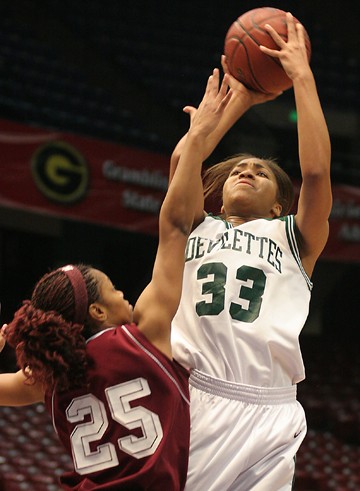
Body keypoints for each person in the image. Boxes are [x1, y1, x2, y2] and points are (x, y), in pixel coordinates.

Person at [0, 70, 232, 490]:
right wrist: (198, 136)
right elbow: (177, 225)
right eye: (115, 290)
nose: (125, 293)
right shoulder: (144, 336)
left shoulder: (48, 380)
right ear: (97, 310)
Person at [170, 12, 332, 491]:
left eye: (260, 172)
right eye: (239, 168)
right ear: (216, 196)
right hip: (193, 393)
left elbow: (318, 174)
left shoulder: (294, 239)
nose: (247, 171)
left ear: (280, 205)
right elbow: (185, 161)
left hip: (269, 409)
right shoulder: (196, 226)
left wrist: (301, 75)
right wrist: (239, 99)